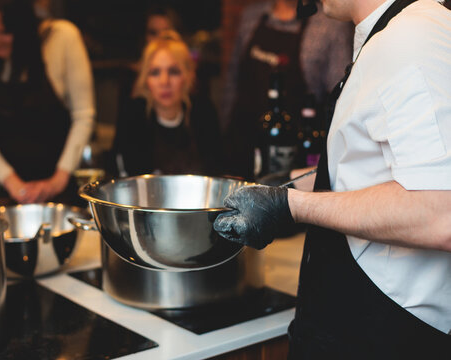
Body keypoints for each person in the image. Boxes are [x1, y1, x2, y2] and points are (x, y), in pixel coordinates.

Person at [214, 0, 451, 358]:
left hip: (386, 334)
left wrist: (291, 205)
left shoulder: (412, 36)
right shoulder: (391, 34)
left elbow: (438, 211)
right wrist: (286, 183)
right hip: (357, 322)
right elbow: (371, 171)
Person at [0, 0, 95, 205]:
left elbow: (84, 115)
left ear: (23, 26)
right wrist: (12, 182)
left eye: (5, 32)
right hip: (1, 189)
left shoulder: (62, 38)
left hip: (61, 184)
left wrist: (58, 180)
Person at [222, 0, 353, 179]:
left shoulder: (329, 24)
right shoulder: (251, 17)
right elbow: (232, 83)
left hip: (294, 162)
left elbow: (342, 100)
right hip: (243, 149)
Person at [110, 30, 223, 177]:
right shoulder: (133, 116)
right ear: (146, 79)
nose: (164, 82)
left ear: (187, 76)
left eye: (174, 71)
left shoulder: (203, 113)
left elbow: (217, 171)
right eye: (155, 72)